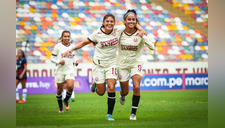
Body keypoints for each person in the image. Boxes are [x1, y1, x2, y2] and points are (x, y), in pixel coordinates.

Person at [65, 13, 146, 121]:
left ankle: (109, 115)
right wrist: (72, 49)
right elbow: (84, 42)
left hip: (112, 64)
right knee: (101, 92)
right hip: (98, 65)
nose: (109, 23)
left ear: (114, 23)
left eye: (111, 21)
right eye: (107, 21)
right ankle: (95, 83)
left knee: (111, 87)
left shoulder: (118, 29)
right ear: (103, 22)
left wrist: (140, 29)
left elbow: (131, 23)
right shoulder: (97, 34)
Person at [117, 9, 155, 120]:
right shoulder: (120, 33)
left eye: (133, 19)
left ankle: (133, 114)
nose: (131, 21)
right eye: (129, 19)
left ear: (136, 21)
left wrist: (143, 35)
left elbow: (152, 47)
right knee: (125, 91)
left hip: (136, 63)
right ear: (124, 21)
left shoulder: (140, 34)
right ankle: (122, 94)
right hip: (122, 64)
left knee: (137, 86)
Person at [50, 30, 76, 113]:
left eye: (68, 36)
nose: (67, 38)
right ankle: (60, 106)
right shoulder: (58, 46)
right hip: (60, 70)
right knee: (59, 90)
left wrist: (76, 61)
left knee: (71, 86)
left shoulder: (72, 46)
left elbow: (74, 57)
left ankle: (66, 100)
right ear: (62, 37)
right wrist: (58, 62)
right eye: (65, 36)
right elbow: (51, 58)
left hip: (69, 69)